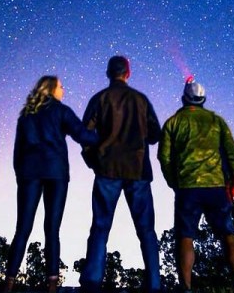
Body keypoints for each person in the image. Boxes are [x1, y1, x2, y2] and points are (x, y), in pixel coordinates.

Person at [2, 76, 98, 293]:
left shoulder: (25, 115)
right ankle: (52, 286)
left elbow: (17, 152)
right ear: (52, 88)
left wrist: (21, 175)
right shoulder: (61, 111)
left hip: (29, 174)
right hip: (56, 174)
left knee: (22, 229)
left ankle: (8, 283)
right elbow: (83, 135)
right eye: (61, 86)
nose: (63, 89)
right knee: (52, 230)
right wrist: (107, 134)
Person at [79, 56, 163, 293]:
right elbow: (155, 134)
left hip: (107, 170)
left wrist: (94, 161)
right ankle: (154, 285)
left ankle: (92, 285)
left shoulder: (99, 99)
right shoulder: (141, 100)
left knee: (100, 228)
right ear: (128, 72)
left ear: (108, 73)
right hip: (137, 171)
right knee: (146, 230)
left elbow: (85, 135)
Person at [158, 77, 234, 293]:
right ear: (203, 99)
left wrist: (175, 183)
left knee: (185, 237)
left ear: (183, 99)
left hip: (188, 188)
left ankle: (186, 288)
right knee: (228, 234)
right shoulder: (217, 122)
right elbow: (232, 154)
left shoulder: (173, 123)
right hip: (216, 187)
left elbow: (165, 158)